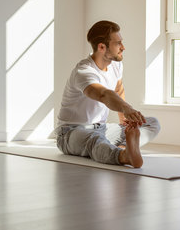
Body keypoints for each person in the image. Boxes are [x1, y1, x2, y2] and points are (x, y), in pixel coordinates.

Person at [54, 20, 160, 168]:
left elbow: (118, 89)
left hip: (102, 128)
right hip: (71, 132)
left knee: (152, 123)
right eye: (118, 43)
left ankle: (125, 149)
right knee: (94, 140)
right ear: (102, 47)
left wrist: (125, 121)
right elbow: (103, 94)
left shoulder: (116, 65)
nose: (123, 47)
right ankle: (121, 156)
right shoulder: (84, 71)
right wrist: (126, 108)